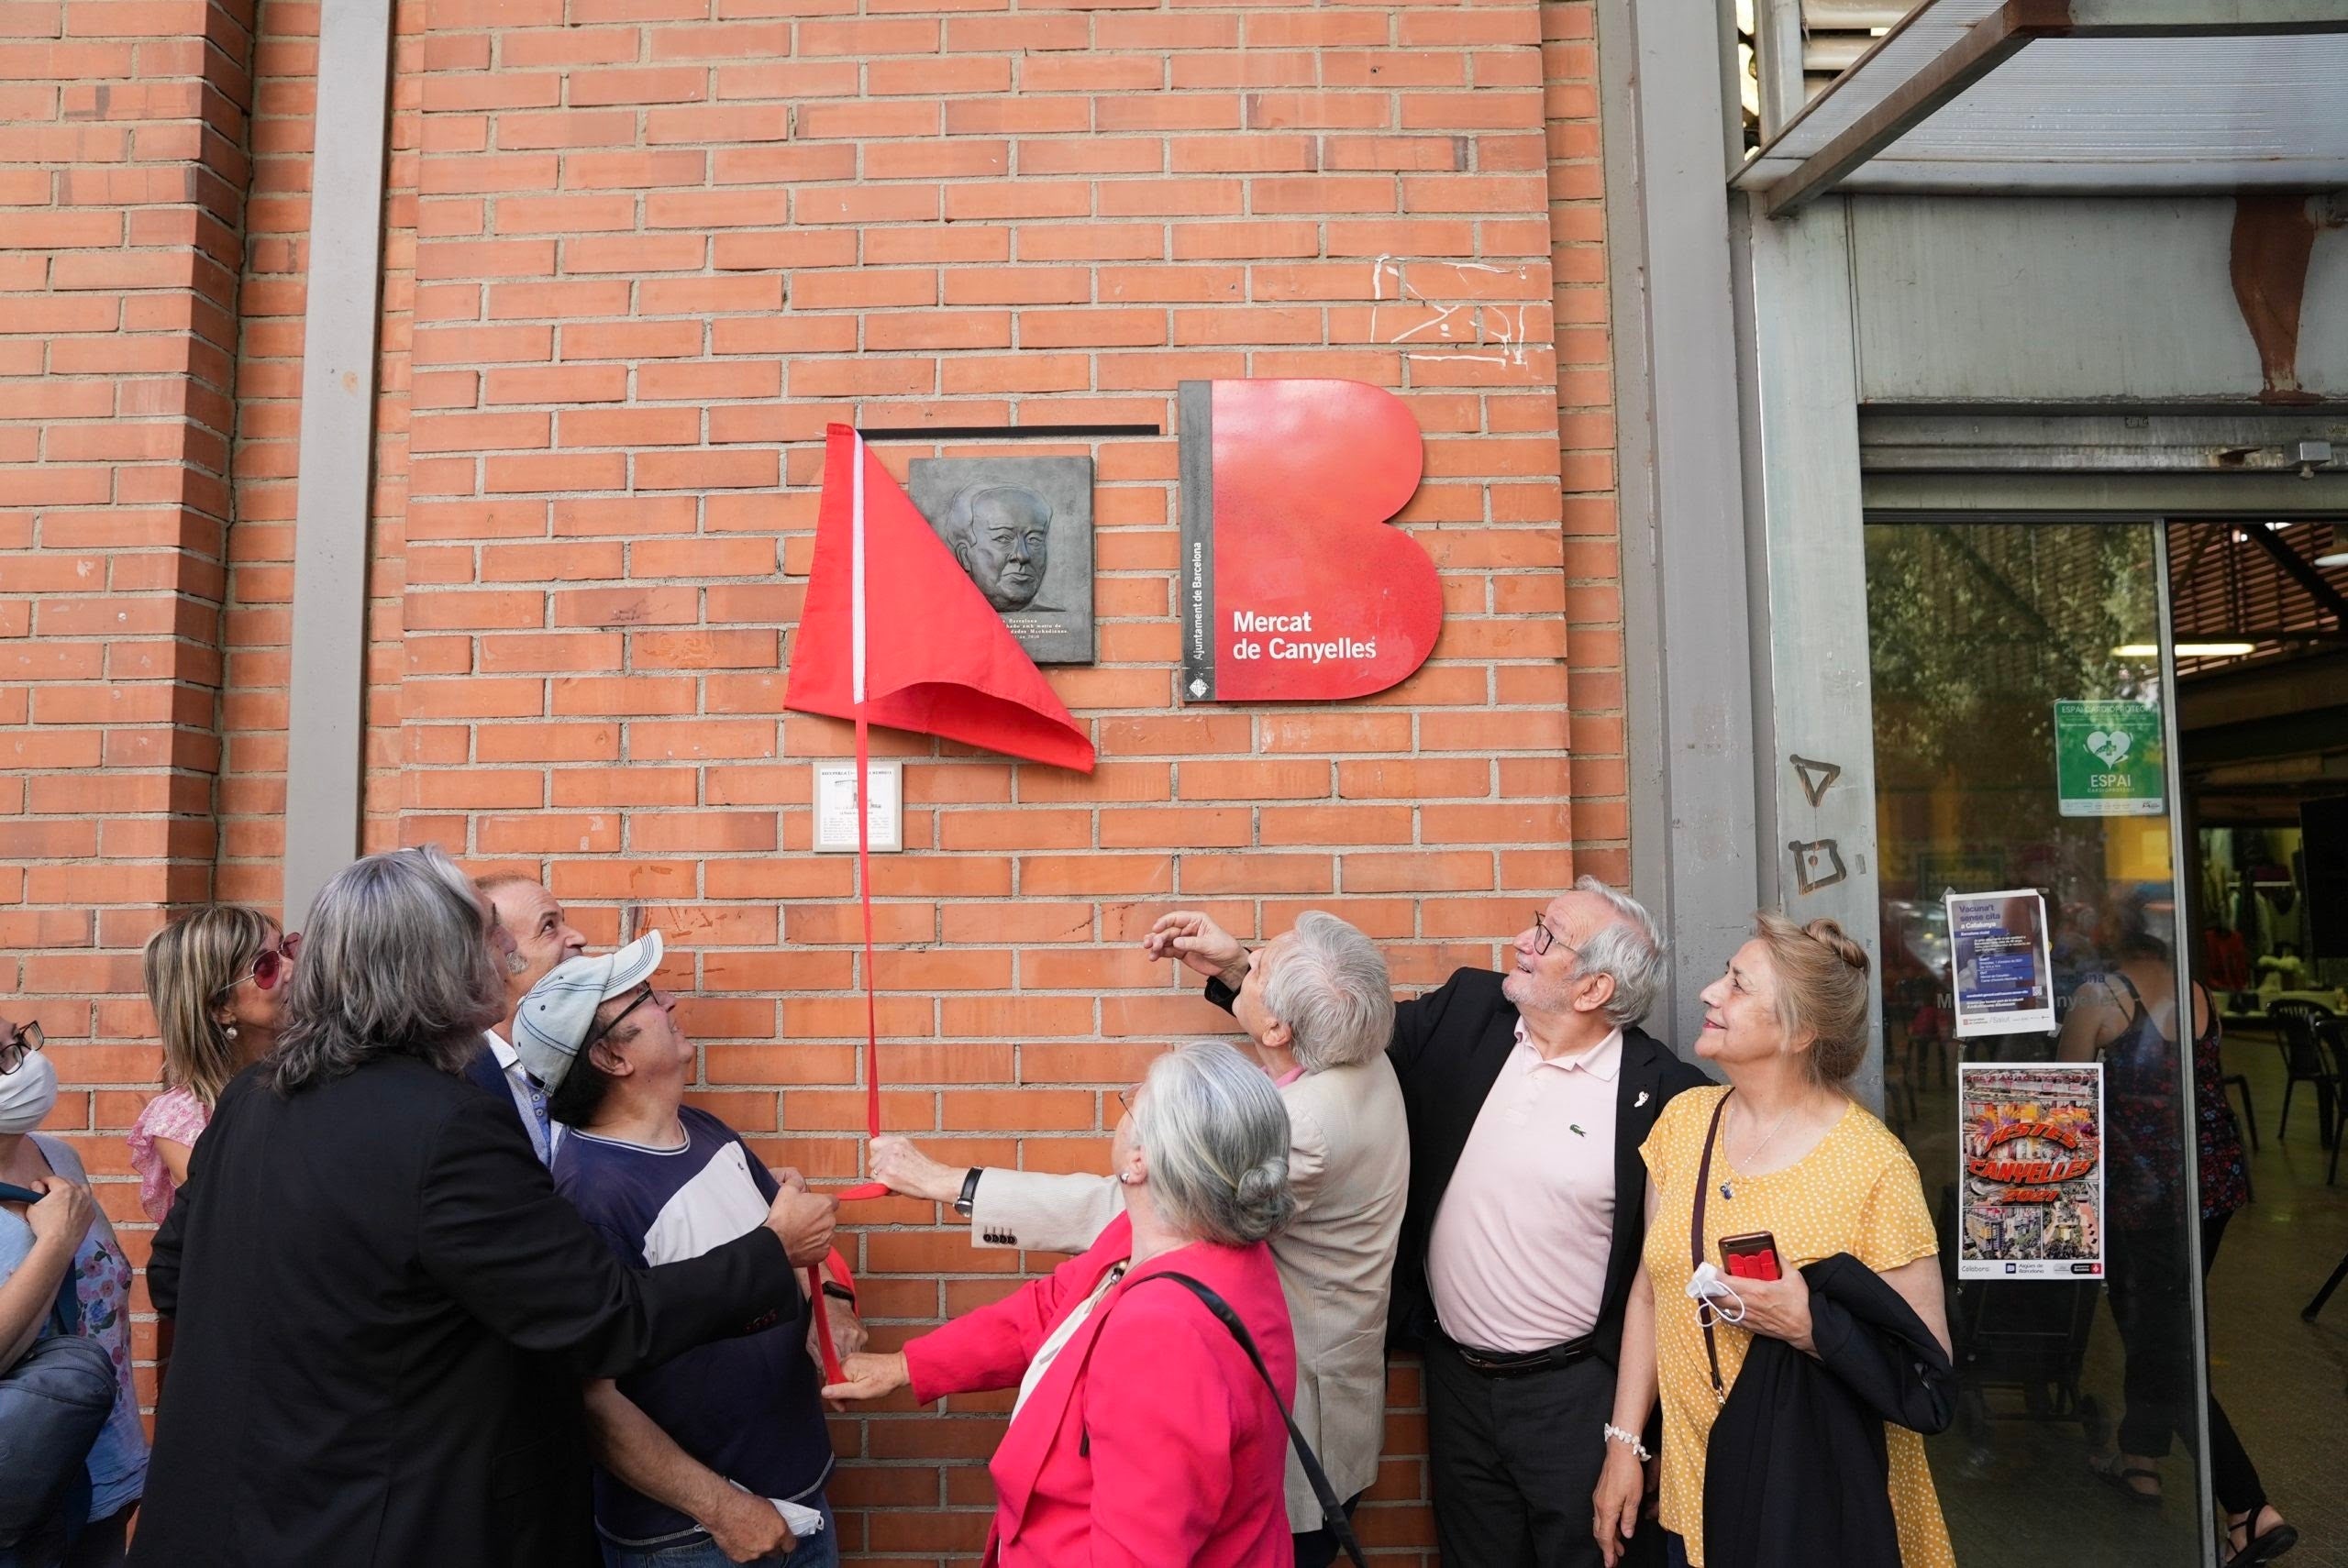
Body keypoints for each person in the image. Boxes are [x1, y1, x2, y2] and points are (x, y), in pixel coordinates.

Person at [128, 845, 839, 1568]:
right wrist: (769, 1249)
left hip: (244, 1517)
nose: (503, 951)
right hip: (382, 1523)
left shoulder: (256, 1095)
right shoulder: (450, 1126)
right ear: (441, 965)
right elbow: (602, 1319)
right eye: (485, 936)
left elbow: (175, 1275)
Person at [1149, 882, 1706, 1568]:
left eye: (1547, 937)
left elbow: (1664, 1282)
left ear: (1592, 990)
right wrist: (1241, 970)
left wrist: (1630, 1441)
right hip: (1458, 1383)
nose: (1522, 944)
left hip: (1574, 1398)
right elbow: (1340, 1028)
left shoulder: (1666, 1097)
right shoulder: (1469, 1011)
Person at [868, 911, 1408, 1567]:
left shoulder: (1300, 1137)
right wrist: (1240, 968)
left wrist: (950, 1182)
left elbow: (1130, 1203)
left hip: (1277, 1431)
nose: (1252, 954)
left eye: (1262, 964)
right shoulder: (1359, 1049)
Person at [824, 1042, 1299, 1567]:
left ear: (1140, 1163)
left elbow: (1139, 1554)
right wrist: (908, 1365)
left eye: (1133, 1102)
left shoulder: (1163, 1333)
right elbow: (1049, 1311)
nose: (1126, 1104)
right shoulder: (1174, 1236)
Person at [1595, 914, 1953, 1568]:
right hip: (1695, 1490)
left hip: (1812, 1505)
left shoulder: (1874, 1164)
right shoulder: (1684, 1123)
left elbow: (1929, 1372)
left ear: (1800, 1030)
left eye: (1737, 984)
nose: (1709, 992)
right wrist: (1624, 1444)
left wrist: (1808, 1324)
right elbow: (1650, 1294)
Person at [519, 936, 852, 1568]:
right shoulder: (588, 1196)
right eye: (644, 998)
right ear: (610, 1055)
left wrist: (833, 1313)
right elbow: (592, 1401)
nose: (668, 999)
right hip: (694, 1540)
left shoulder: (704, 1131)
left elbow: (796, 1244)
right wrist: (725, 1513)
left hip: (798, 1498)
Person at [2059, 919, 2293, 1568]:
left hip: (2144, 1199)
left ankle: (2249, 1509)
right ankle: (2140, 1460)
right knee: (2158, 1325)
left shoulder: (2099, 995)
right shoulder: (2196, 991)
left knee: (2162, 1341)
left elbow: (2063, 1093)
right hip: (2210, 1188)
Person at [0, 1015, 148, 1567]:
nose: (28, 1065)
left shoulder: (59, 1158)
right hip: (20, 1488)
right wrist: (56, 1241)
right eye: (4, 1059)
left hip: (105, 1471)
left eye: (21, 1041)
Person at [127, 905, 294, 1221]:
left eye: (286, 949)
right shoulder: (184, 1122)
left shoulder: (325, 1068)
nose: (292, 968)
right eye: (266, 966)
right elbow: (242, 1218)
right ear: (220, 1008)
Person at [463, 872, 590, 1165]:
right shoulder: (456, 1078)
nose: (578, 937)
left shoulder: (595, 1053)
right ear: (497, 953)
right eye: (549, 926)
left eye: (563, 921)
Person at [941, 484, 1058, 613]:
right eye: (1003, 538)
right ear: (964, 556)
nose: (1022, 555)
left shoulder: (1064, 619)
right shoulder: (945, 616)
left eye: (1034, 539)